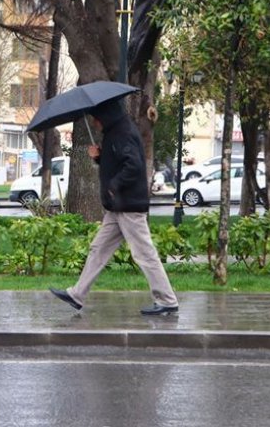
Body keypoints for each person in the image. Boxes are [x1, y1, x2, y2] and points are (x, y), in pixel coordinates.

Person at [50, 99, 179, 316]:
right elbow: (118, 162)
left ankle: (167, 300)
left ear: (105, 116)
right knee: (98, 249)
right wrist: (100, 157)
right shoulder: (116, 132)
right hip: (117, 206)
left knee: (144, 254)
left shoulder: (122, 133)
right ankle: (77, 294)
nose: (94, 123)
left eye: (96, 118)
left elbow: (133, 165)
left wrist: (114, 185)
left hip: (128, 206)